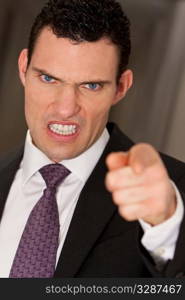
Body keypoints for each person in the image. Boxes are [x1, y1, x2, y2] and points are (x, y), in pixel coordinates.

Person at [0, 0, 185, 278]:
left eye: (91, 85)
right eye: (49, 79)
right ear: (24, 67)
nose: (65, 108)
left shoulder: (172, 193)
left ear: (121, 87)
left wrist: (165, 227)